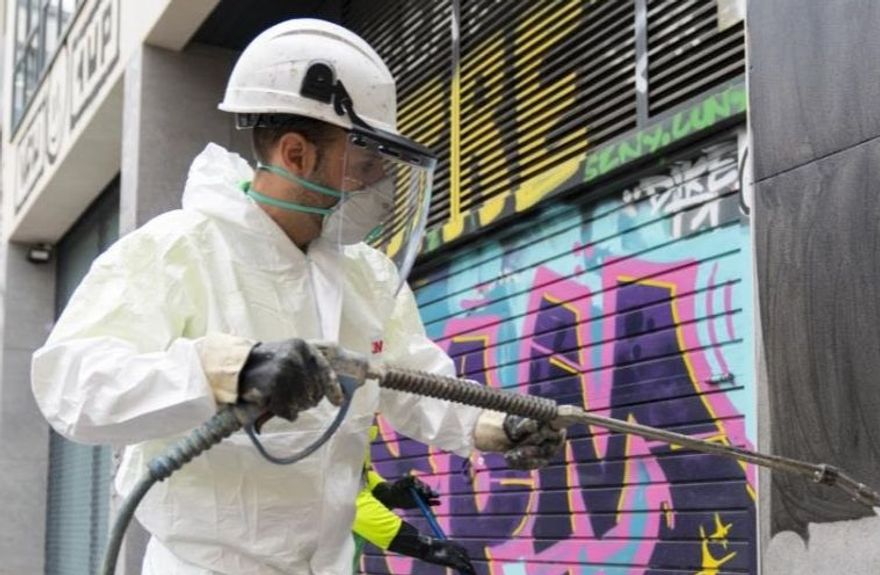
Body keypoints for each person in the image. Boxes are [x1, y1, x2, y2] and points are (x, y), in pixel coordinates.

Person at [31, 18, 564, 574]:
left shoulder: (366, 275)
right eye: (364, 164)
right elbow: (72, 383)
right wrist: (223, 372)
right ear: (296, 154)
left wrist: (495, 426)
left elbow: (413, 380)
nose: (378, 182)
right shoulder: (178, 250)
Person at [351, 426, 475, 575]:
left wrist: (386, 492)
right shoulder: (322, 418)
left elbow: (354, 473)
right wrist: (424, 546)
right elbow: (342, 499)